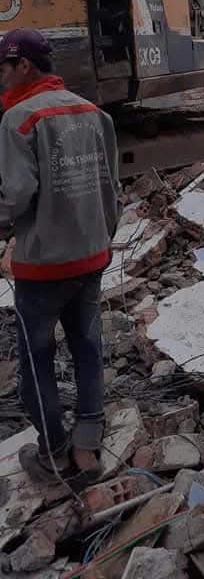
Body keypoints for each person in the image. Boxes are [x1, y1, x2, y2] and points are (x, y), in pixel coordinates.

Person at [0, 28, 120, 484]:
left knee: (37, 359)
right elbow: (111, 187)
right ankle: (87, 447)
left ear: (24, 65)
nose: (0, 77)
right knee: (88, 348)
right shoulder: (93, 113)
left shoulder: (19, 120)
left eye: (3, 67)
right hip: (90, 258)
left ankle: (53, 453)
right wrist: (103, 239)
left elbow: (16, 197)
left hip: (43, 265)